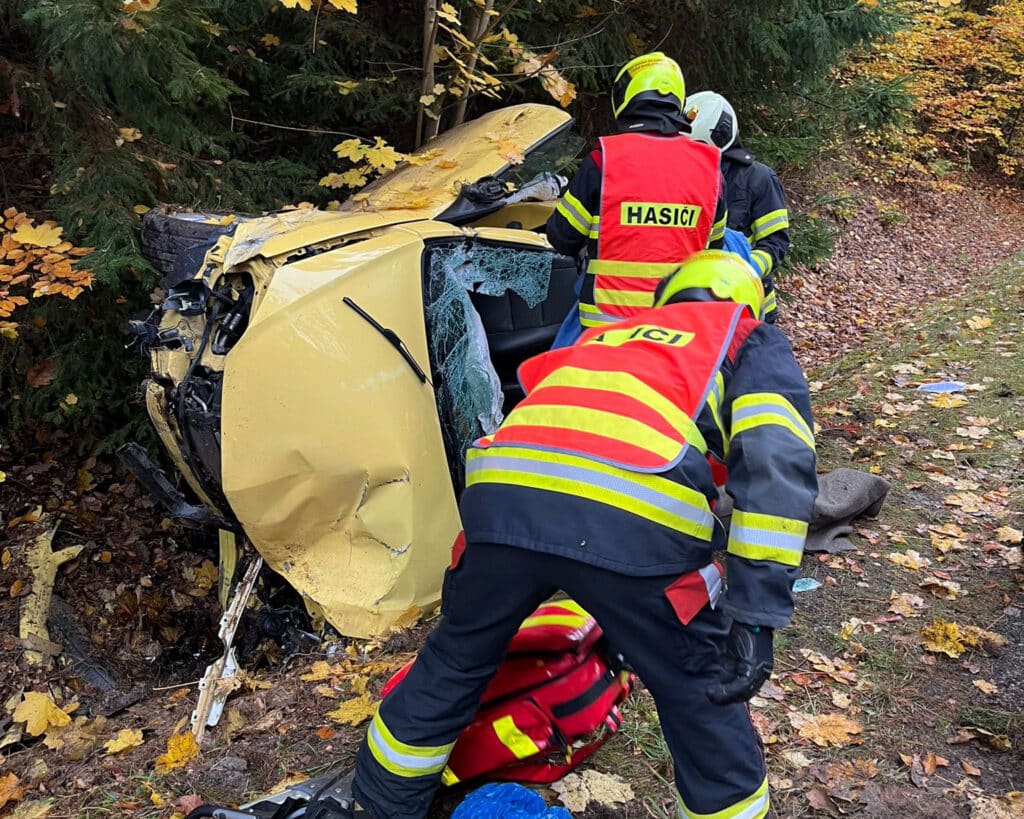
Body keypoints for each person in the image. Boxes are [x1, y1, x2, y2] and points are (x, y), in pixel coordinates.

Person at [330, 251, 818, 819]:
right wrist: (755, 617)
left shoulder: (603, 336)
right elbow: (774, 465)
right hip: (633, 512)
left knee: (457, 658)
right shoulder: (745, 337)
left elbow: (559, 429)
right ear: (748, 303)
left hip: (500, 495)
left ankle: (379, 802)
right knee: (699, 686)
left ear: (670, 295)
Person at [546, 53, 729, 342]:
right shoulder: (711, 169)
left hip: (605, 331)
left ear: (627, 98)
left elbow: (562, 235)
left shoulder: (603, 160)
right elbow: (715, 251)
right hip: (678, 331)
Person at [684, 91, 791, 322]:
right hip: (692, 302)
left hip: (748, 306)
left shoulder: (759, 179)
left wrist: (745, 268)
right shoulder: (682, 176)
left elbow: (776, 243)